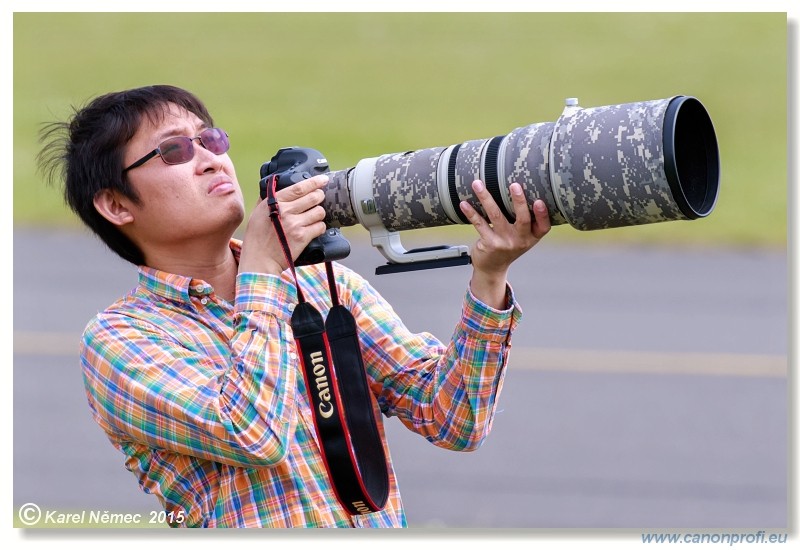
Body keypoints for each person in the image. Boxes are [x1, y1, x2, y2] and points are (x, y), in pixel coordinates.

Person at [37, 84, 551, 528]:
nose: (211, 158)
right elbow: (252, 433)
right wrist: (263, 271)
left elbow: (454, 418)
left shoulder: (327, 289)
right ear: (116, 205)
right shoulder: (121, 341)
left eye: (211, 139)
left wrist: (489, 277)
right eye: (174, 152)